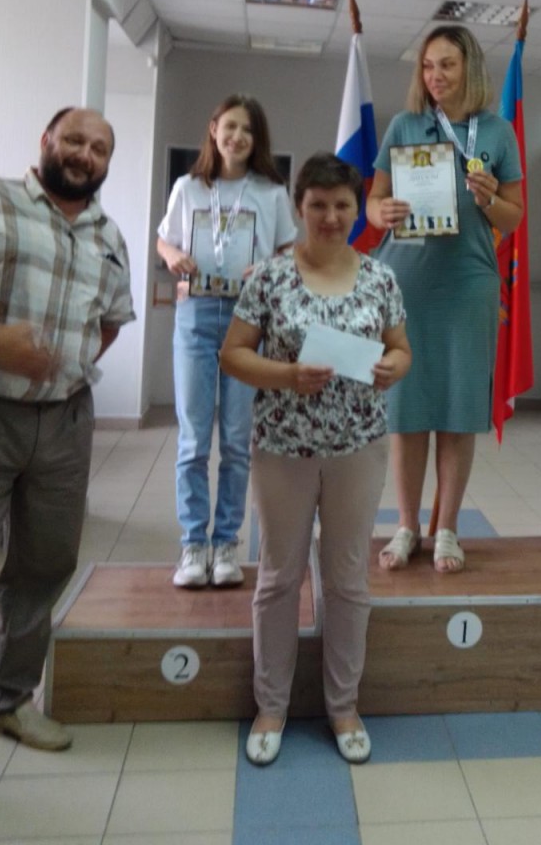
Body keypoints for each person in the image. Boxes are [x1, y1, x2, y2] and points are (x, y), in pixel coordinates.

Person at [0, 108, 135, 845]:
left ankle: (9, 700)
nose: (85, 154)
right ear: (46, 142)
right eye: (74, 140)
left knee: (43, 569)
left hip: (65, 424)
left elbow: (110, 321)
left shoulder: (109, 237)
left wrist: (66, 364)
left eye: (99, 147)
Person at [220, 152, 410, 766]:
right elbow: (233, 354)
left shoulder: (380, 278)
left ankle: (343, 706)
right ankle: (271, 706)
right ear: (299, 208)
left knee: (348, 580)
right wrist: (286, 375)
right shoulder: (269, 277)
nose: (330, 216)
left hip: (359, 446)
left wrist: (392, 367)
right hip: (284, 448)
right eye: (318, 205)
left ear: (358, 210)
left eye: (342, 205)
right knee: (279, 578)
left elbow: (401, 348)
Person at [366, 25, 523, 574]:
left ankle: (448, 529)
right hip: (407, 284)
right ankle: (407, 525)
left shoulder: (497, 132)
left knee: (458, 411)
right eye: (428, 66)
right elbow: (373, 201)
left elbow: (514, 217)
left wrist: (489, 199)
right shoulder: (405, 125)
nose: (435, 76)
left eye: (447, 65)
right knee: (407, 412)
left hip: (467, 287)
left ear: (469, 69)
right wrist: (381, 212)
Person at [157, 95, 297, 589]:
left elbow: (289, 251)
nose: (237, 137)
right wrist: (171, 256)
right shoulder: (188, 187)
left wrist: (271, 266)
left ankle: (226, 545)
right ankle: (193, 544)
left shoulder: (271, 193)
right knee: (193, 439)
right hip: (196, 315)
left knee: (237, 441)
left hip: (248, 320)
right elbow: (165, 239)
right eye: (230, 126)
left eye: (248, 130)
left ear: (257, 141)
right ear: (214, 129)